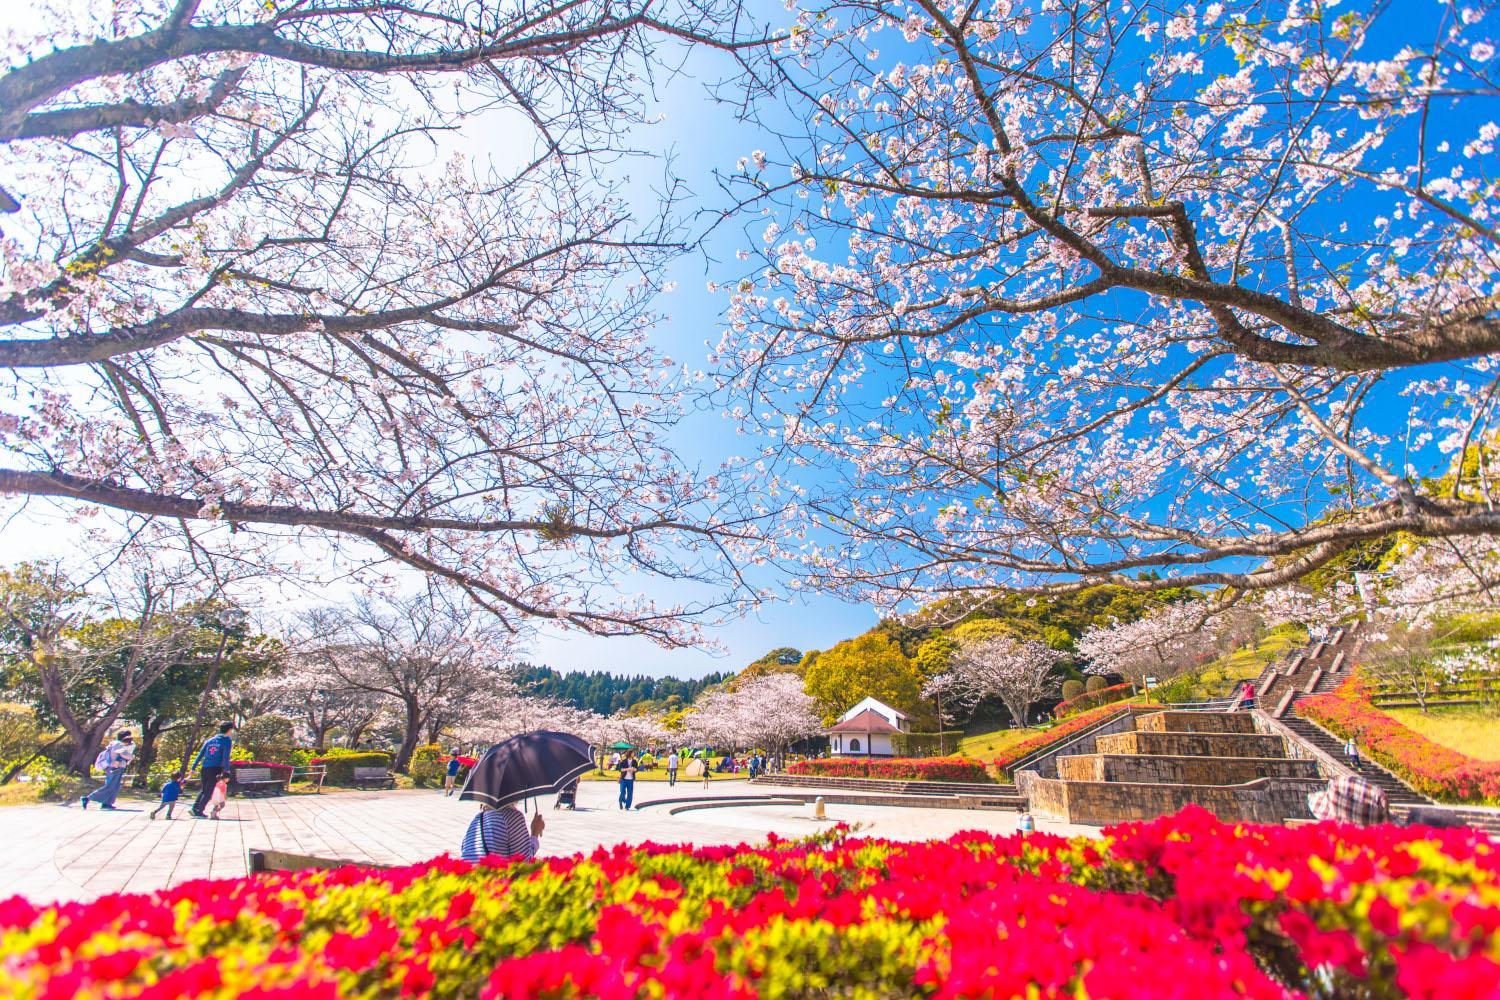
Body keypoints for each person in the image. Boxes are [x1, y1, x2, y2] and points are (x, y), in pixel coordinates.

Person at [462, 802, 545, 861]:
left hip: (468, 880)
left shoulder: (476, 820)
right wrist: (535, 833)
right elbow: (523, 860)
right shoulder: (513, 817)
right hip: (493, 882)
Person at [190, 722, 235, 818]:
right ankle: (199, 811)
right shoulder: (227, 740)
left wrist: (193, 767)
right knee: (208, 791)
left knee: (204, 790)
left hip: (205, 767)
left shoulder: (210, 740)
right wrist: (226, 771)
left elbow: (200, 754)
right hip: (215, 768)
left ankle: (194, 808)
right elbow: (226, 757)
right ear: (229, 730)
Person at [81, 730, 135, 811]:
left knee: (115, 786)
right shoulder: (118, 744)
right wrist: (132, 756)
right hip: (115, 768)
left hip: (116, 767)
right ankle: (88, 798)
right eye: (129, 736)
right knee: (110, 786)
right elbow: (125, 755)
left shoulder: (117, 744)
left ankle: (107, 803)